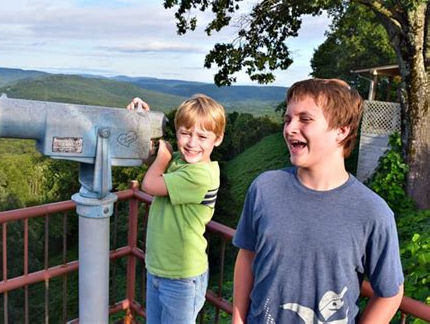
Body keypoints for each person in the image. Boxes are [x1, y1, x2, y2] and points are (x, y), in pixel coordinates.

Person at [232, 78, 404, 324]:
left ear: (341, 131)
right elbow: (247, 256)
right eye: (288, 118)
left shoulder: (373, 212)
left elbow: (390, 293)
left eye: (305, 119)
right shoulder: (264, 188)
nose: (290, 128)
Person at [127, 94, 226, 324]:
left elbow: (150, 184)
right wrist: (143, 122)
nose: (192, 143)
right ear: (177, 130)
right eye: (185, 133)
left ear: (217, 139)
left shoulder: (201, 175)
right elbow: (152, 163)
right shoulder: (181, 160)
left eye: (202, 136)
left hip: (182, 277)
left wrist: (163, 155)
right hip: (159, 269)